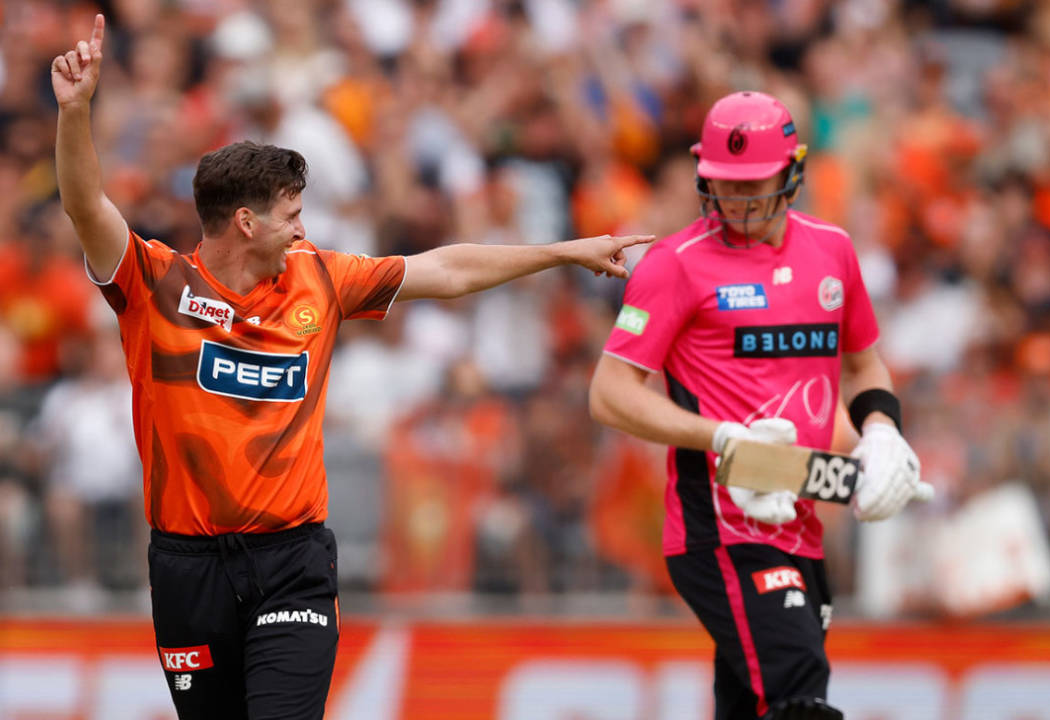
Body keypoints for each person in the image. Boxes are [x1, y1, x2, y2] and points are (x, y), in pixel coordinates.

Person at [51, 15, 649, 720]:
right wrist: (75, 112)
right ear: (247, 222)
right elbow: (87, 206)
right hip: (189, 568)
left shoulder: (320, 279)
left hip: (292, 564)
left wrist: (560, 250)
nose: (305, 229)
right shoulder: (154, 285)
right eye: (292, 214)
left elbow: (447, 269)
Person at [587, 90, 933, 720]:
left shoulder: (831, 251)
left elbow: (862, 364)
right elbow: (609, 394)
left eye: (755, 184)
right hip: (716, 524)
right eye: (725, 184)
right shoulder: (674, 266)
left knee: (752, 704)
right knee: (799, 691)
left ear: (792, 173)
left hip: (798, 519)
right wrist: (723, 438)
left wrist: (881, 433)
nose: (738, 201)